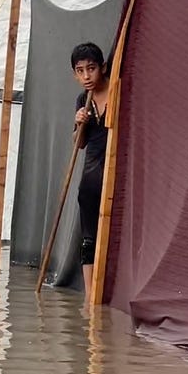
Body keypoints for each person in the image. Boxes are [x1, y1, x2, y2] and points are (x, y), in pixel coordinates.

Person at [71, 42, 109, 288]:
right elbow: (79, 144)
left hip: (115, 174)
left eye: (91, 69)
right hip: (91, 178)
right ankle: (89, 298)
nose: (86, 76)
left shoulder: (117, 91)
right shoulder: (83, 100)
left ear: (103, 68)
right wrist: (79, 123)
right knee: (89, 239)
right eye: (80, 71)